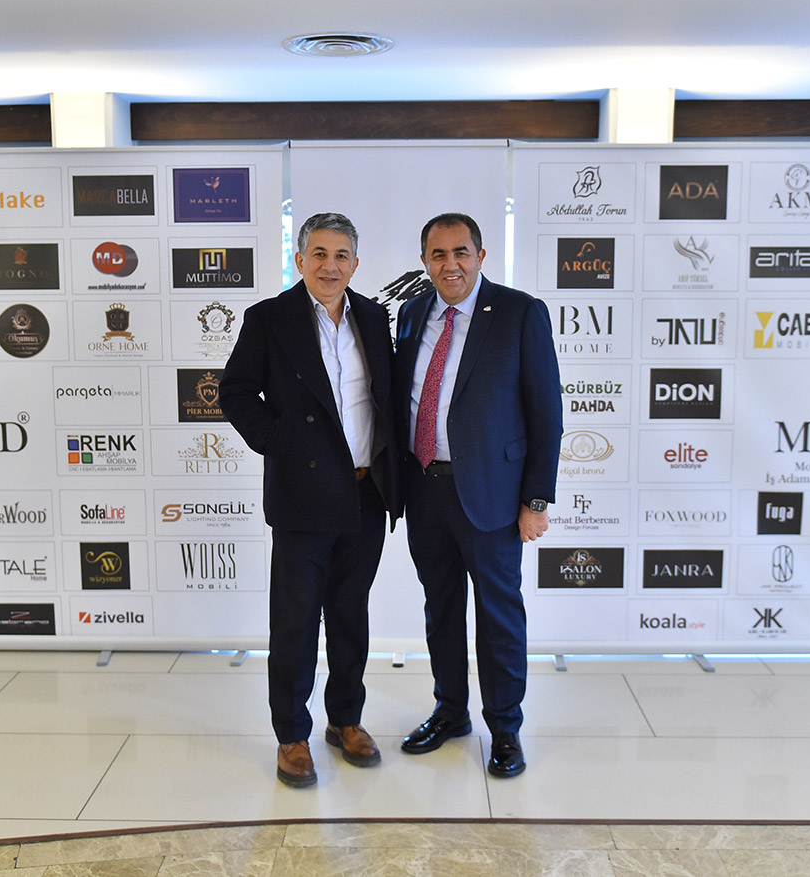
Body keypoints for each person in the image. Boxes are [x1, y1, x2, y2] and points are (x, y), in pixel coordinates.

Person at [218, 212, 400, 788]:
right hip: (302, 495)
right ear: (299, 260)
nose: (330, 265)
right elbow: (234, 392)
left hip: (366, 494)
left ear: (355, 263)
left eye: (341, 255)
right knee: (295, 623)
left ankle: (345, 720)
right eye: (318, 254)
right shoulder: (269, 318)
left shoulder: (373, 316)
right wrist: (281, 441)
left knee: (350, 615)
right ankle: (292, 735)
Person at [394, 212, 562, 778]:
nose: (451, 265)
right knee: (440, 609)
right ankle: (450, 711)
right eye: (438, 255)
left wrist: (535, 500)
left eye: (461, 252)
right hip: (424, 490)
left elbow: (546, 413)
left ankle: (505, 729)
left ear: (481, 256)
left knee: (498, 617)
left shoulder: (519, 313)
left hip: (493, 495)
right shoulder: (413, 312)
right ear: (425, 261)